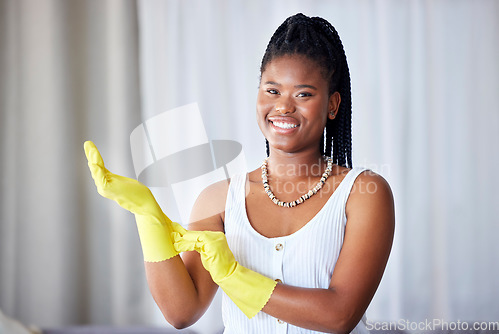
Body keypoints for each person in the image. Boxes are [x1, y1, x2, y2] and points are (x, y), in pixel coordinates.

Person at [85, 13, 394, 334]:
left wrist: (234, 275)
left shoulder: (363, 194)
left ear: (332, 105)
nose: (284, 107)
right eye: (272, 90)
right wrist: (146, 213)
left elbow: (339, 315)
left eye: (303, 94)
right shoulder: (218, 199)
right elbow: (181, 311)